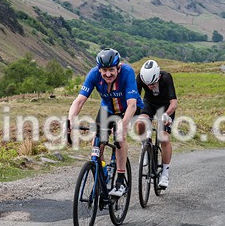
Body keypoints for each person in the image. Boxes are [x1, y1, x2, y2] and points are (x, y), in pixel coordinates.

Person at [67, 48, 143, 198]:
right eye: (104, 70)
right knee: (97, 143)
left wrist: (123, 125)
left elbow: (132, 105)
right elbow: (80, 101)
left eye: (111, 70)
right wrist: (70, 120)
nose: (108, 74)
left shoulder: (126, 72)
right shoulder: (94, 74)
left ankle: (121, 180)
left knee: (120, 138)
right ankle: (103, 174)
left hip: (128, 109)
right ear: (99, 69)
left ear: (118, 68)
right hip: (107, 109)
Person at [134, 59, 177, 189]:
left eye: (152, 84)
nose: (150, 86)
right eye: (147, 84)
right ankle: (145, 146)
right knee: (140, 123)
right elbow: (135, 99)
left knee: (163, 137)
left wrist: (166, 115)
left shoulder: (166, 77)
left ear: (158, 76)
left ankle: (165, 173)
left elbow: (174, 103)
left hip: (165, 107)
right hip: (149, 104)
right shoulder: (140, 78)